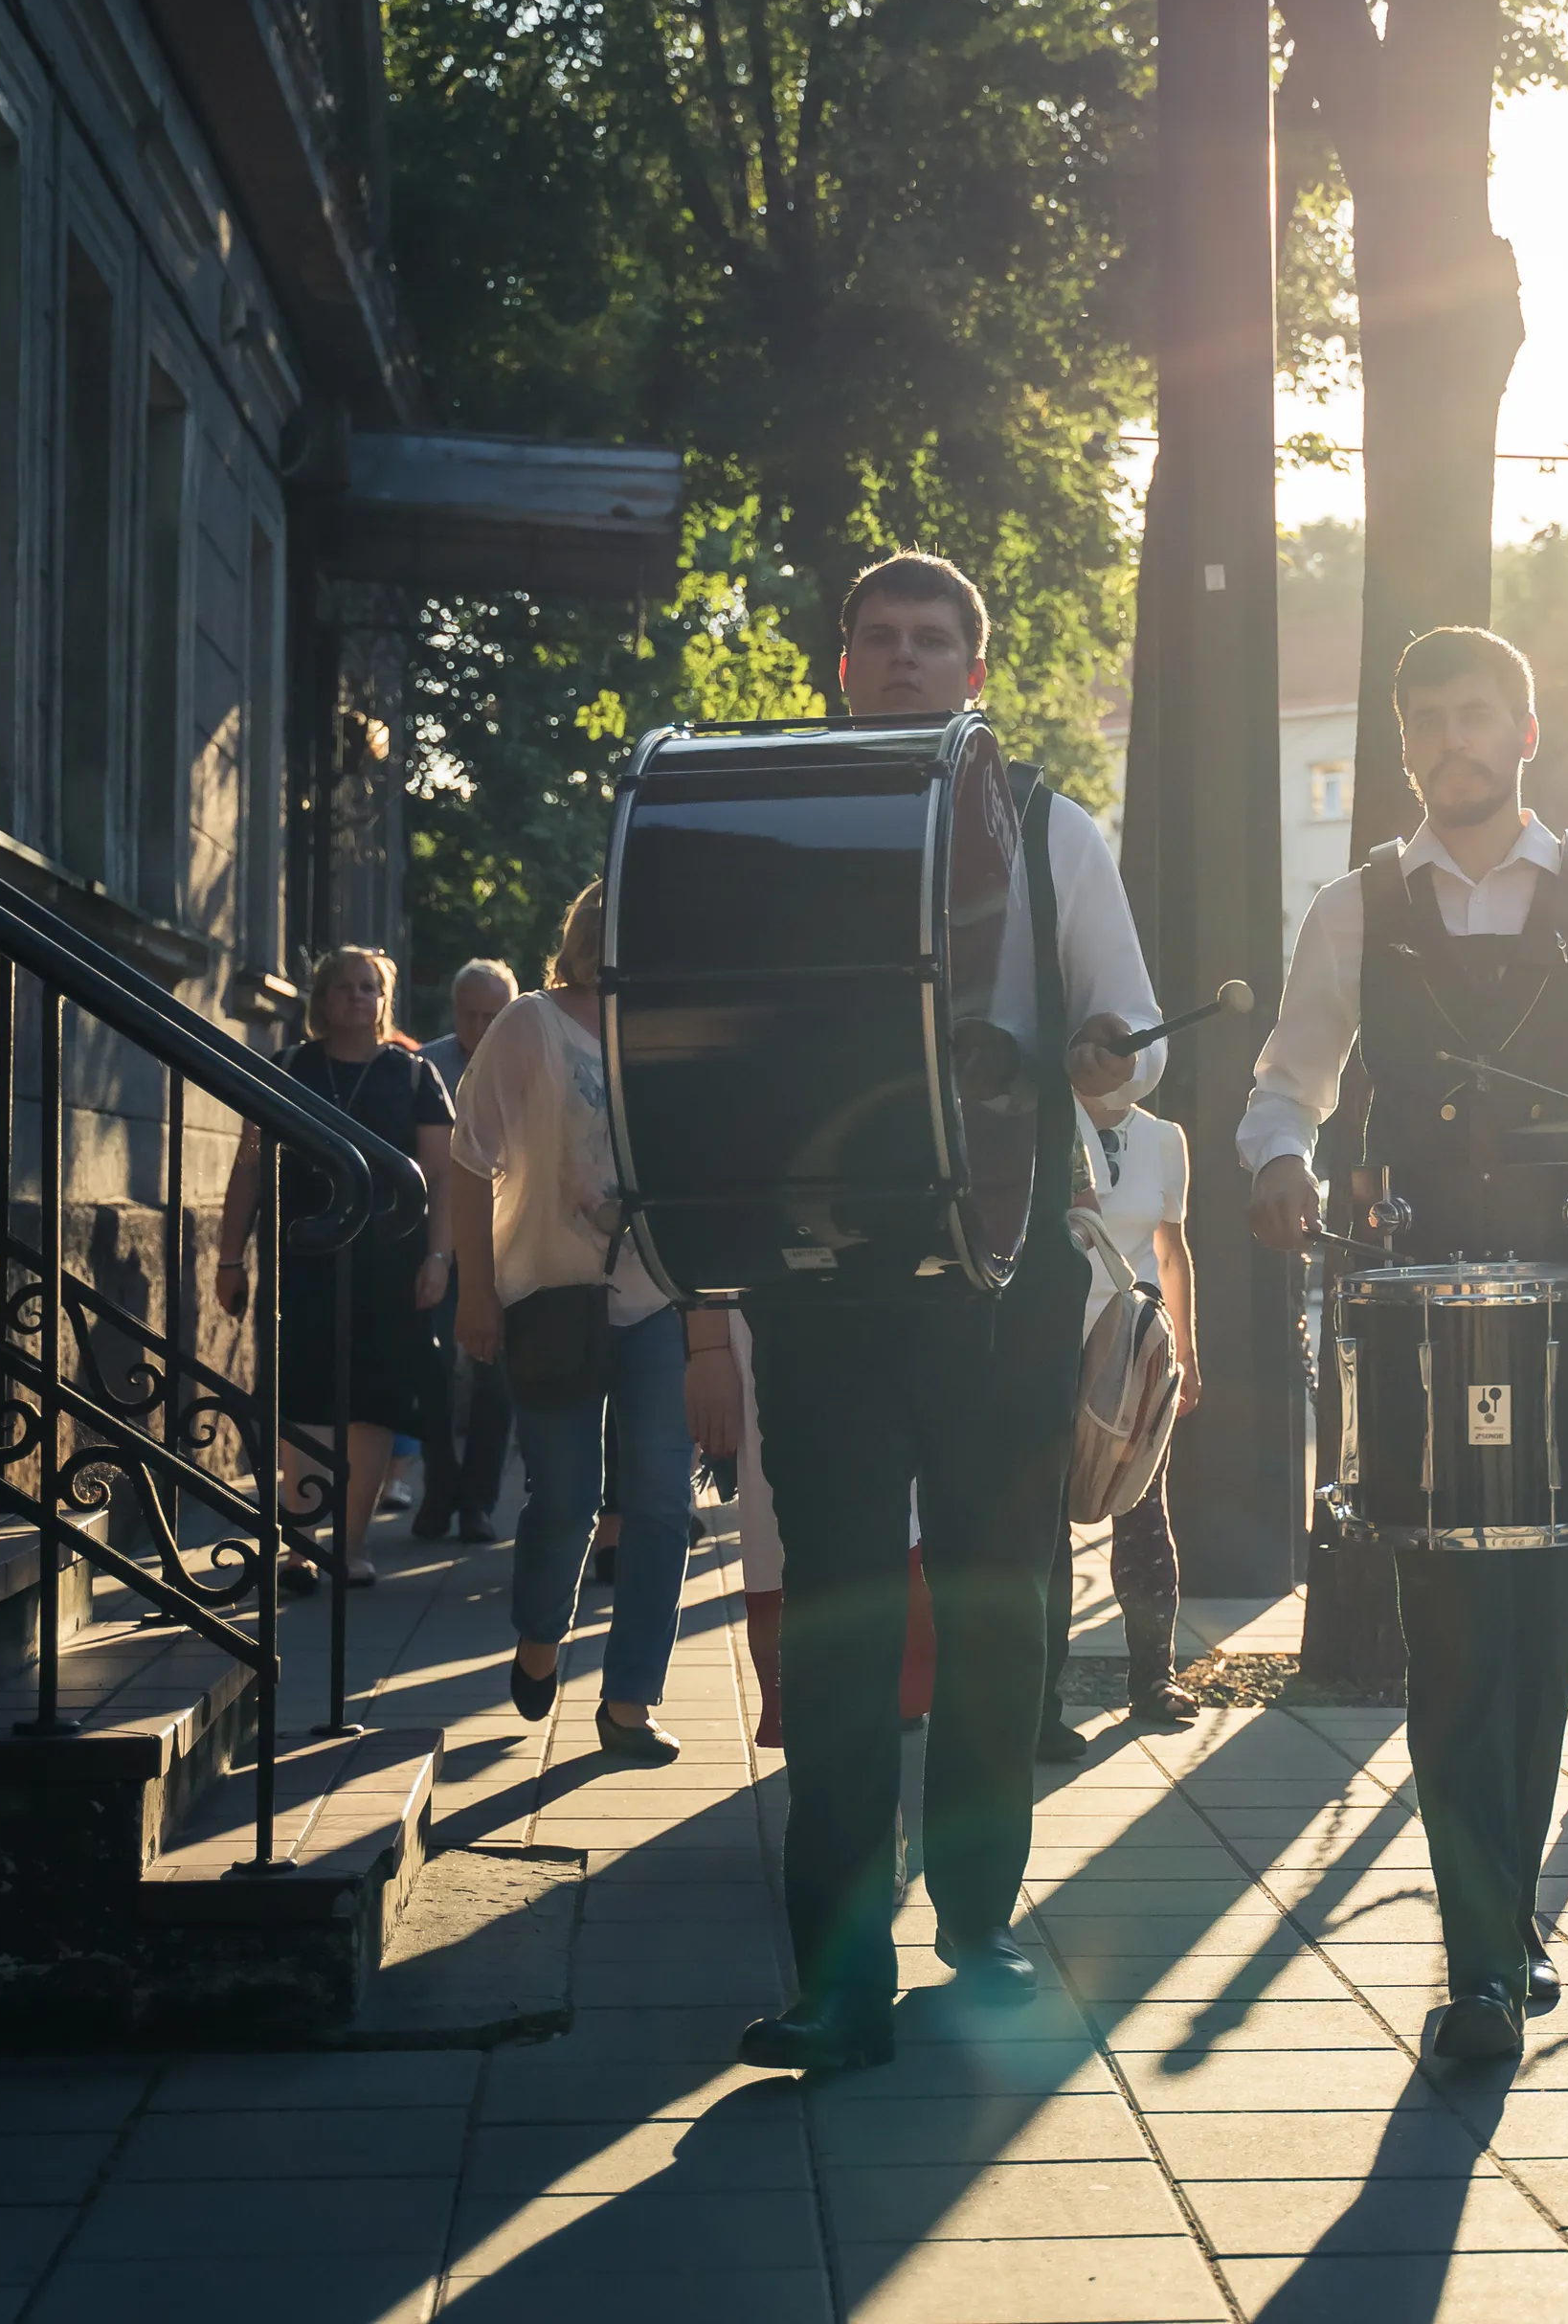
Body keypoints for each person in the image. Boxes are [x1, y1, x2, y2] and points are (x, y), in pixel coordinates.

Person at [1243, 625, 1568, 2063]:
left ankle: (1502, 1923)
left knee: (1543, 1634)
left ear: (1525, 733)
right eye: (1426, 720)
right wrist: (1277, 1156)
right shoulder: (1355, 907)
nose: (1450, 741)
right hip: (1413, 1309)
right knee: (1448, 1634)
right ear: (1405, 744)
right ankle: (1482, 1961)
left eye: (1475, 715)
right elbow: (1289, 1078)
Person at [733, 553, 1162, 2075]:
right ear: (843, 663)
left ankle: (980, 1925)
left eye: (933, 640)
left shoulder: (1048, 827)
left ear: (975, 672)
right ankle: (838, 1977)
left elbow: (1132, 1038)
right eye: (881, 637)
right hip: (820, 1276)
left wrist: (1108, 1060)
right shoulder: (770, 825)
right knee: (839, 1621)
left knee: (998, 1608)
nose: (905, 658)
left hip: (1002, 1272)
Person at [445, 886, 731, 1764]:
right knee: (566, 1499)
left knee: (660, 1501)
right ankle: (540, 1633)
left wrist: (711, 1330)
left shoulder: (674, 1031)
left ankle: (628, 1702)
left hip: (657, 1300)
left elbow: (705, 1182)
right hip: (549, 1295)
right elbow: (468, 1157)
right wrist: (475, 1293)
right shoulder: (531, 1023)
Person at [213, 946, 457, 1591]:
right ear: (321, 999)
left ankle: (349, 1547)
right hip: (302, 1262)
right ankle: (301, 1547)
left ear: (384, 1000)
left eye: (368, 986)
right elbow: (249, 1167)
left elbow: (442, 1177)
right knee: (302, 1398)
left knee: (371, 1404)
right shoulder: (287, 1068)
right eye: (343, 986)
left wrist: (439, 1257)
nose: (356, 996)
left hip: (390, 1266)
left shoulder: (413, 1076)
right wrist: (230, 1257)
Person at [1037, 1084, 1204, 1760]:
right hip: (1051, 1343)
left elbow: (1172, 1251)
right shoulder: (1049, 1119)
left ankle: (1155, 1677)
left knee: (1143, 1509)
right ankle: (1040, 1701)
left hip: (1133, 1355)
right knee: (1046, 1523)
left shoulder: (1165, 1138)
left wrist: (1187, 1357)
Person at [414, 959, 524, 1544]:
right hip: (436, 1245)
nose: (481, 1027)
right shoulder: (423, 1068)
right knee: (429, 1373)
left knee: (494, 1380)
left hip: (503, 1245)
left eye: (493, 1015)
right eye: (471, 1015)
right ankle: (439, 1489)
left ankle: (478, 1502)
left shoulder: (529, 1065)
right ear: (454, 1011)